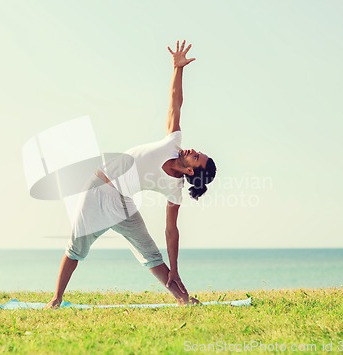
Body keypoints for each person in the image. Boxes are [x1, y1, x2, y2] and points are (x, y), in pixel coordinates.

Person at [44, 40, 216, 309]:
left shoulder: (175, 190)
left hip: (123, 203)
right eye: (197, 151)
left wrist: (175, 268)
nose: (192, 150)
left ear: (192, 170)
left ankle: (183, 299)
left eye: (196, 156)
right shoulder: (173, 143)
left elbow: (172, 231)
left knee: (150, 253)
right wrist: (178, 68)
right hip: (98, 189)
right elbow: (175, 104)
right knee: (76, 249)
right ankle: (56, 299)